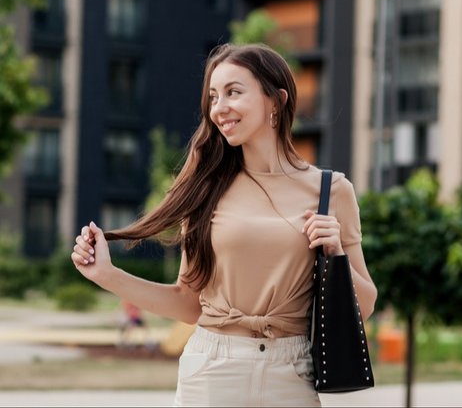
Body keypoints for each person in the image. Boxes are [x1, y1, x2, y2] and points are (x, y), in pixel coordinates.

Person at [71, 43, 377, 407]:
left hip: (294, 374)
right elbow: (188, 302)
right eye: (213, 97)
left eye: (233, 92)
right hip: (214, 370)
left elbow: (367, 304)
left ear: (275, 101)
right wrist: (107, 275)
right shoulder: (206, 188)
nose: (219, 108)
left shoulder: (332, 190)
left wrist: (335, 250)